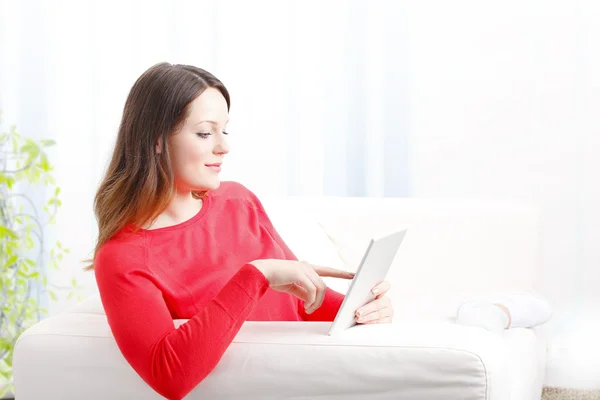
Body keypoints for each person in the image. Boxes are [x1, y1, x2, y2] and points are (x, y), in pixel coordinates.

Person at [88, 62, 394, 400]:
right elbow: (170, 376)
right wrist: (257, 275)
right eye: (205, 133)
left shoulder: (238, 200)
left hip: (310, 382)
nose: (224, 147)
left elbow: (303, 300)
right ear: (157, 141)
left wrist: (360, 310)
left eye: (225, 130)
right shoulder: (122, 257)